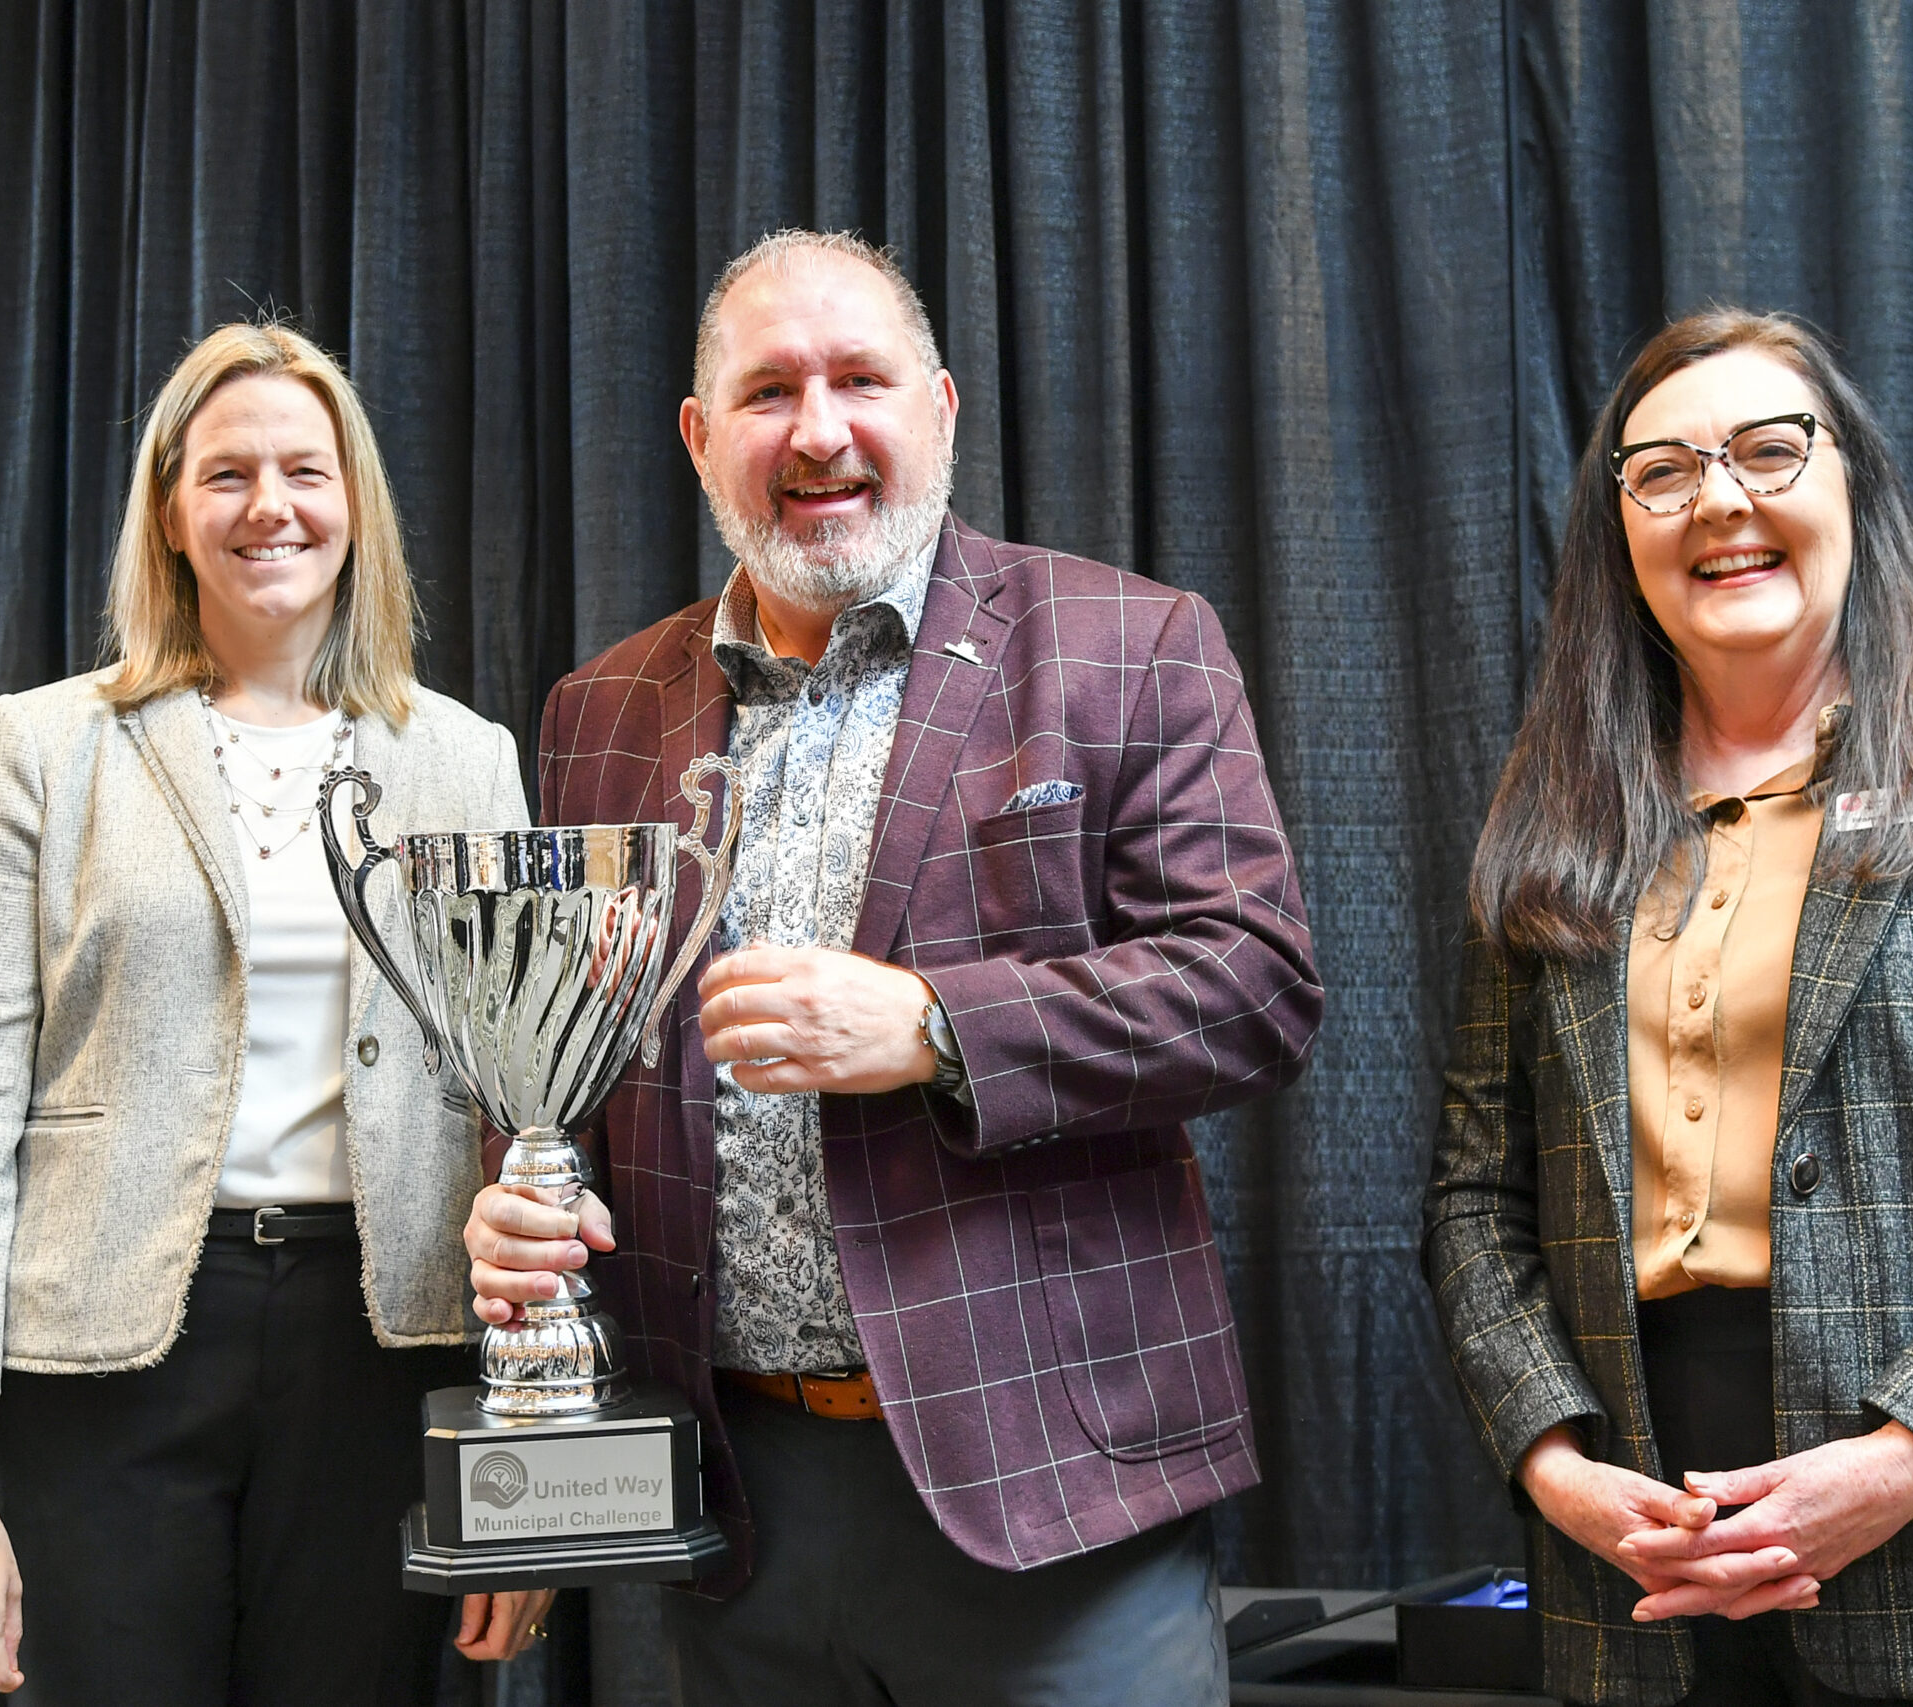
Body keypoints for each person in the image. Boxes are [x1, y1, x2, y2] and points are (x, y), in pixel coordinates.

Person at [461, 229, 1324, 1705]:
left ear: (939, 407)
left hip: (1047, 1495)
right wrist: (527, 1212)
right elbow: (561, 1048)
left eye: (859, 379)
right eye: (769, 391)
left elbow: (1253, 988)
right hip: (728, 1502)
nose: (818, 430)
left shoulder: (1129, 640)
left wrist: (934, 1027)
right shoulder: (598, 709)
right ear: (698, 436)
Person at [1424, 308, 1913, 1706]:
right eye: (1663, 471)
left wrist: (1908, 1458)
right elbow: (1476, 1200)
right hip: (1649, 1559)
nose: (1720, 499)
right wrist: (1559, 1475)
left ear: (1854, 485)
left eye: (1770, 452)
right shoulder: (1556, 809)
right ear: (1619, 530)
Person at [0, 321, 552, 1702]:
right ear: (171, 514)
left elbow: (527, 1128)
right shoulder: (46, 744)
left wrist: (527, 1466)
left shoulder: (469, 761)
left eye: (306, 470)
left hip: (386, 1358)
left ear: (354, 502)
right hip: (104, 1363)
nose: (271, 507)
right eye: (228, 474)